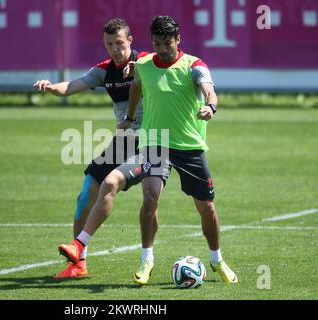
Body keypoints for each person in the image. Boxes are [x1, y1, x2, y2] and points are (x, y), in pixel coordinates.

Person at [58, 16, 238, 285]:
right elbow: (136, 87)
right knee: (146, 196)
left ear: (178, 40)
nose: (162, 48)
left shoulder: (195, 65)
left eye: (167, 43)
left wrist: (210, 107)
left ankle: (216, 259)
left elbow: (209, 90)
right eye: (157, 43)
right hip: (156, 143)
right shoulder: (143, 64)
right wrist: (129, 118)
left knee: (207, 208)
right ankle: (143, 259)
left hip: (190, 147)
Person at [34, 18, 148, 278]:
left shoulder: (146, 63)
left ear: (130, 41)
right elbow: (71, 87)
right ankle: (78, 262)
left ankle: (147, 258)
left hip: (153, 138)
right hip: (124, 140)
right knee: (87, 191)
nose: (115, 49)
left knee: (133, 192)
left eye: (119, 43)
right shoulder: (104, 70)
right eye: (109, 44)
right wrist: (52, 87)